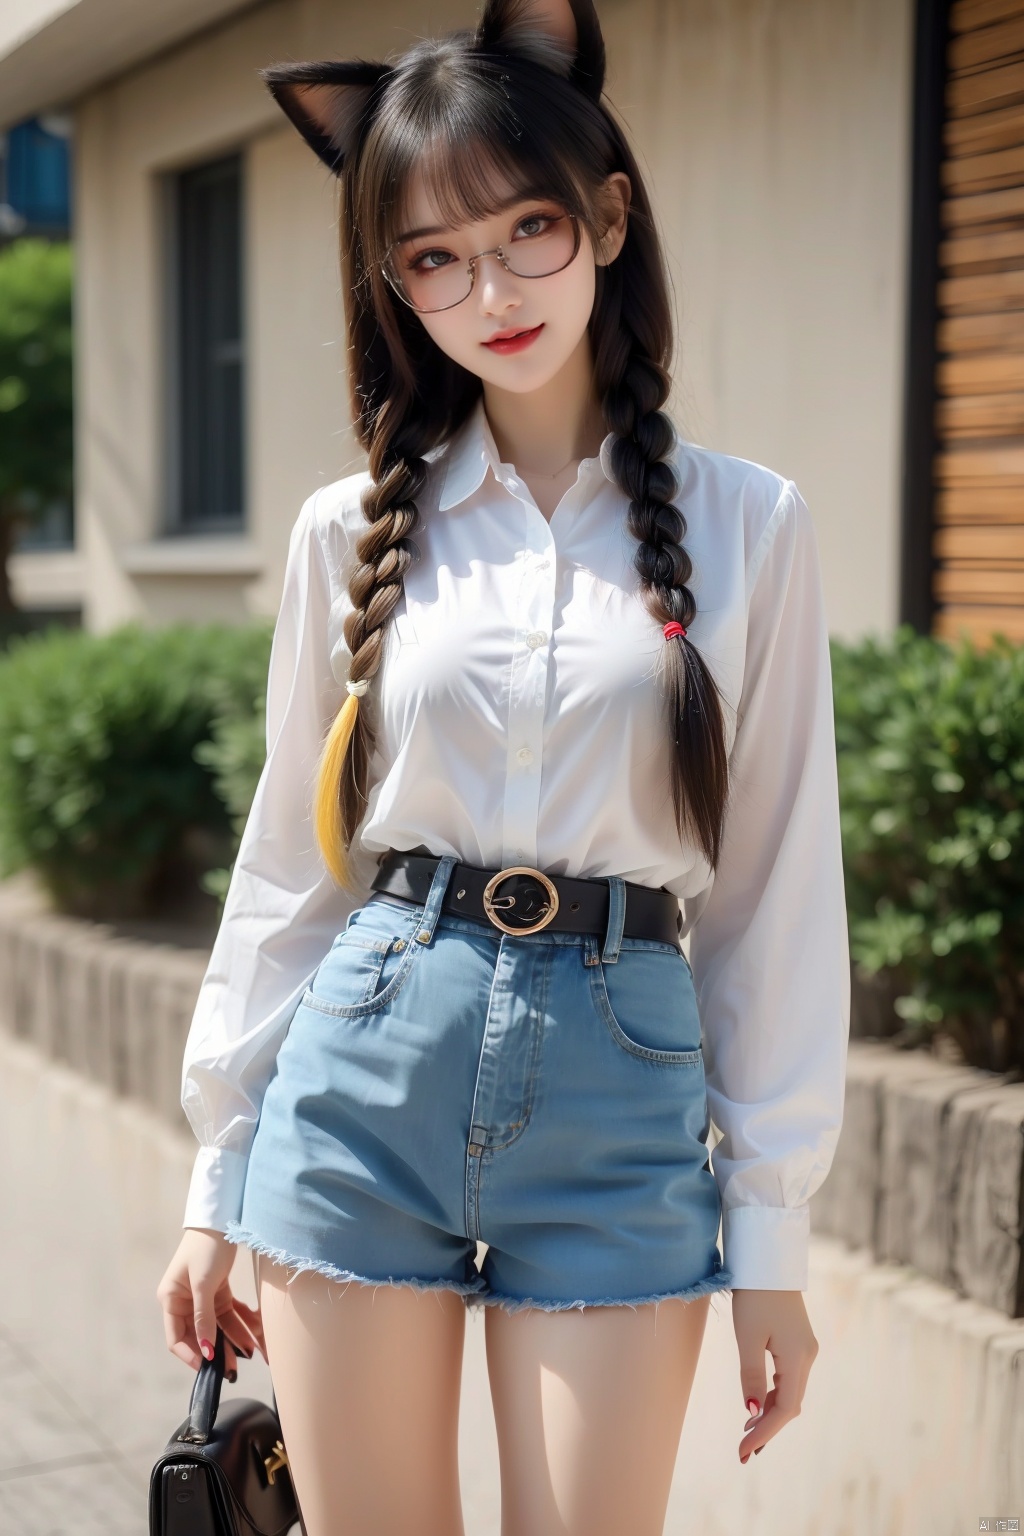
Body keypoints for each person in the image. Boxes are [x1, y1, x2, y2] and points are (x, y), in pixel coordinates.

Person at [156, 2, 850, 1531]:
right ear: (396, 285)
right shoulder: (349, 532)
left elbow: (774, 895)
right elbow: (292, 858)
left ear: (606, 214)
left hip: (624, 1107)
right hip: (361, 1084)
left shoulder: (750, 528)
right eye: (433, 257)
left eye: (528, 228)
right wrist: (218, 1177)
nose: (491, 289)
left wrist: (772, 1244)